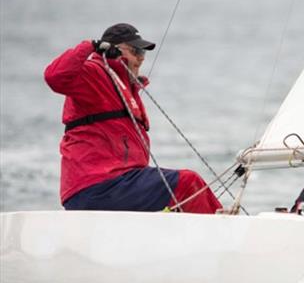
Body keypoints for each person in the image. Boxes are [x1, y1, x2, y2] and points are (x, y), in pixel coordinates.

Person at [44, 23, 223, 214]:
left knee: (180, 202)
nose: (141, 58)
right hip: (97, 186)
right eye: (136, 50)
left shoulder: (126, 86)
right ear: (113, 49)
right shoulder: (92, 74)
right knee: (188, 182)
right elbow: (54, 77)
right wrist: (90, 45)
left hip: (120, 184)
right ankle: (223, 237)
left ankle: (217, 227)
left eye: (143, 53)